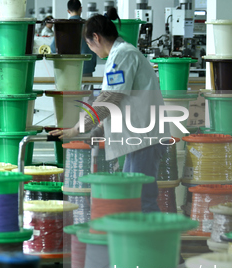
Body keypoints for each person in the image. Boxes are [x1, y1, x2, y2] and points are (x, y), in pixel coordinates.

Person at [50, 12, 167, 212]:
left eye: (88, 44)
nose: (90, 49)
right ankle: (136, 241)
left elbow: (111, 98)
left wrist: (77, 129)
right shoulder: (120, 55)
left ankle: (154, 241)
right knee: (132, 198)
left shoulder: (123, 54)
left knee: (140, 199)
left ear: (96, 37)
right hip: (138, 139)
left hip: (143, 139)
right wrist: (94, 131)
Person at [50, 0, 97, 78]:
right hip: (86, 68)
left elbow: (53, 48)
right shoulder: (89, 26)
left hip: (69, 67)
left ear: (68, 11)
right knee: (87, 90)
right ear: (80, 9)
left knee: (70, 90)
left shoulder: (63, 27)